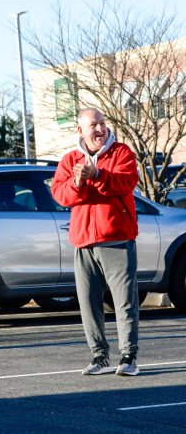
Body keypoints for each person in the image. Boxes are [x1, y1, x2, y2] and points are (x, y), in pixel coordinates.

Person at [51, 107, 141, 376]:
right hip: (83, 242)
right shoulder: (70, 160)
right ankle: (100, 357)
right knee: (88, 303)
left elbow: (126, 182)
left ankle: (129, 357)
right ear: (81, 130)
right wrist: (78, 181)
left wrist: (97, 175)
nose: (100, 129)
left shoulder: (121, 152)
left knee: (124, 302)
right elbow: (60, 194)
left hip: (116, 239)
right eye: (93, 125)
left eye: (102, 123)